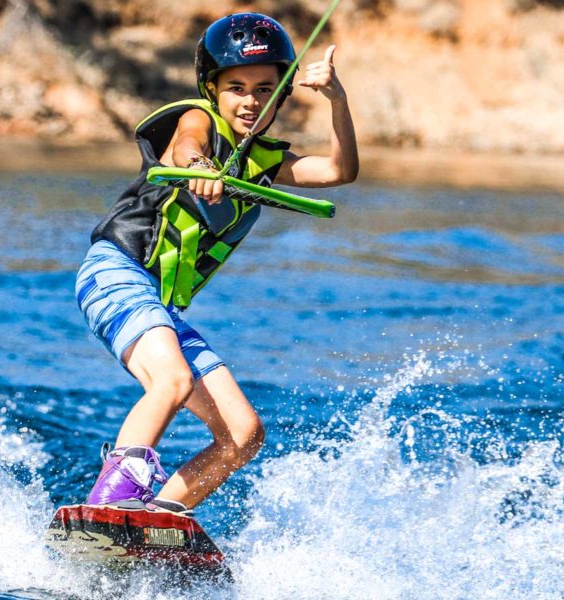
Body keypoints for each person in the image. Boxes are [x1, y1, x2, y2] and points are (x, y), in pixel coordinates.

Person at [75, 12, 359, 515]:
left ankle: (157, 515)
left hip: (158, 302)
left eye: (265, 88)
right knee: (173, 382)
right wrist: (200, 167)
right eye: (237, 87)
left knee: (243, 434)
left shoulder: (269, 162)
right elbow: (187, 143)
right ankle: (111, 503)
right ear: (213, 89)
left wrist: (337, 101)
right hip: (116, 271)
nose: (250, 100)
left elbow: (340, 170)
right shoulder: (198, 119)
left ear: (283, 93)